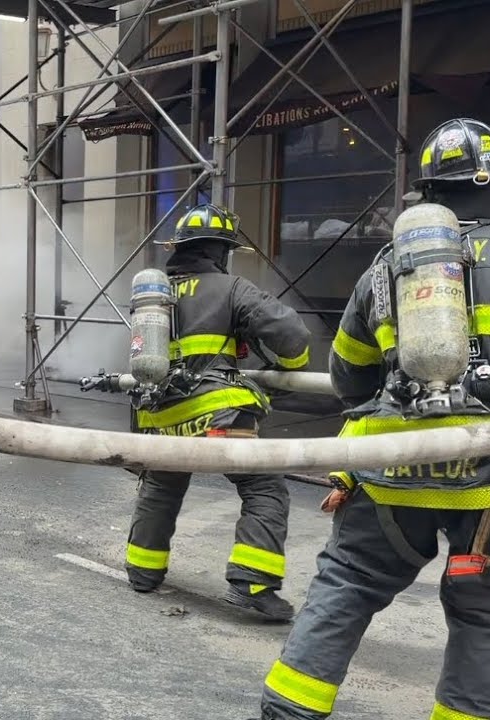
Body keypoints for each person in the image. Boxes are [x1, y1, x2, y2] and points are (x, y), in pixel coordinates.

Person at [257, 118, 490, 719]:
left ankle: (289, 710)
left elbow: (349, 376)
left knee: (348, 586)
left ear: (430, 192)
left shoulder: (388, 268)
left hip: (391, 473)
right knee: (488, 617)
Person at [83, 203, 313, 621]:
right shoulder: (231, 288)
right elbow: (292, 337)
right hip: (216, 413)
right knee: (264, 486)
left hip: (157, 419)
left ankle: (143, 570)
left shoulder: (153, 297)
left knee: (162, 487)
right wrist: (291, 371)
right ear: (221, 251)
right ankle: (253, 581)